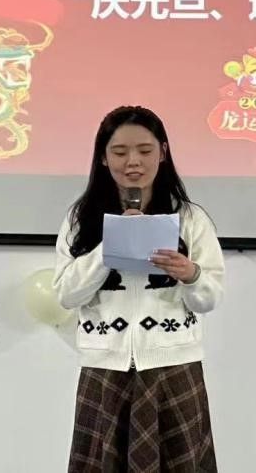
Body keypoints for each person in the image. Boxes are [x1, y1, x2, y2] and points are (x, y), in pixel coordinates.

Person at [54, 105, 225, 472]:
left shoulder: (190, 218)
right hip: (105, 369)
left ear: (162, 153)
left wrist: (191, 274)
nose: (133, 162)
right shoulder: (81, 219)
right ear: (103, 157)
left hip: (173, 367)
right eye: (119, 152)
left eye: (145, 151)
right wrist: (110, 247)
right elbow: (66, 294)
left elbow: (210, 297)